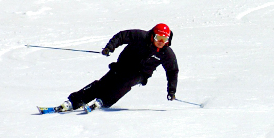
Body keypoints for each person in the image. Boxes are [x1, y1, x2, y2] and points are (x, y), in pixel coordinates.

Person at [42, 24, 179, 113]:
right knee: (103, 83)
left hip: (140, 73)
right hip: (123, 65)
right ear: (152, 35)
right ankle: (73, 101)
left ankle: (104, 101)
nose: (161, 42)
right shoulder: (140, 37)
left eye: (164, 39)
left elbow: (172, 71)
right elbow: (122, 36)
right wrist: (110, 47)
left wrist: (171, 91)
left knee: (126, 83)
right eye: (158, 38)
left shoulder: (166, 54)